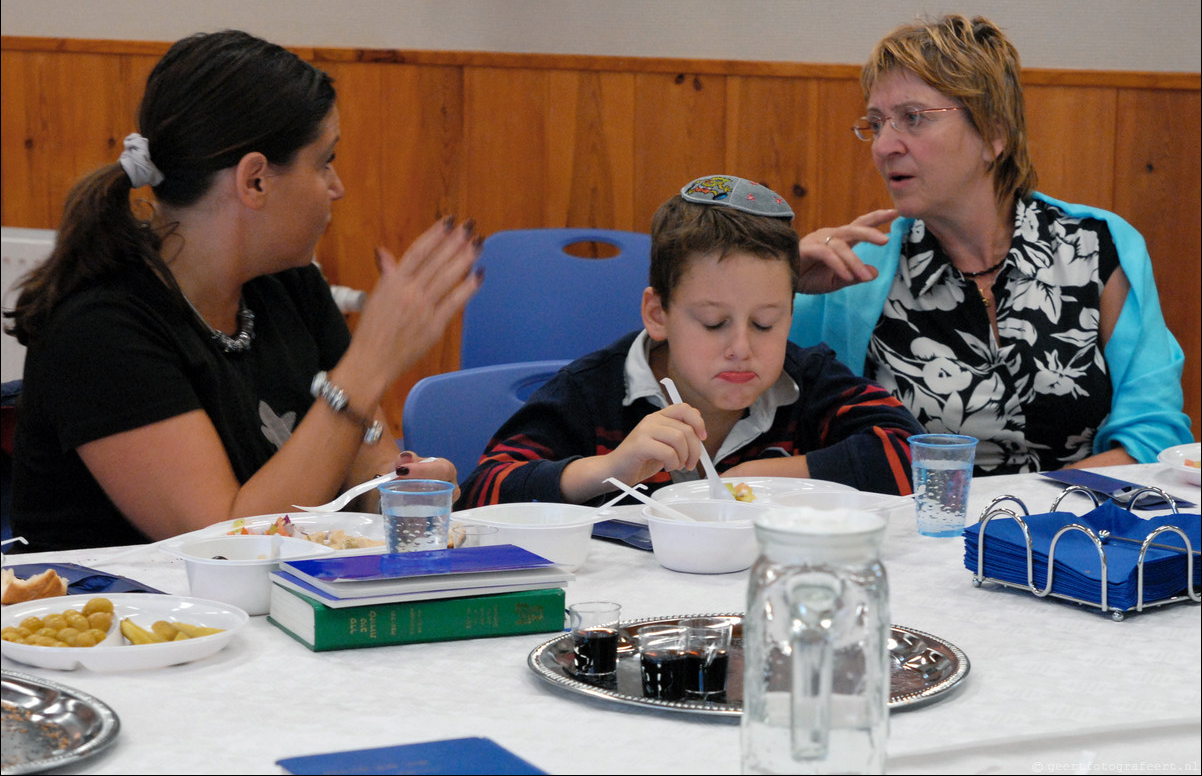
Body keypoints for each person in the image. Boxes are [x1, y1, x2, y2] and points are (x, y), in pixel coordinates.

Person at [6, 31, 480, 551]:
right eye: (324, 161)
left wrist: (401, 489)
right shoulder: (101, 328)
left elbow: (363, 474)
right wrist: (367, 367)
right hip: (119, 621)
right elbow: (225, 543)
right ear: (254, 181)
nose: (336, 186)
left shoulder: (289, 283)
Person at [790, 15, 1192, 476]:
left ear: (993, 133)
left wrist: (1027, 513)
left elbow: (1154, 435)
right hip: (916, 537)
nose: (884, 146)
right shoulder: (855, 271)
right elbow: (764, 413)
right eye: (877, 123)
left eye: (912, 118)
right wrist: (784, 283)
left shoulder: (1095, 246)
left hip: (1076, 530)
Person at [459, 175, 923, 508]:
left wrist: (748, 480)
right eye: (712, 322)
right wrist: (609, 469)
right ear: (658, 314)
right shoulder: (593, 391)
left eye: (765, 323)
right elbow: (483, 491)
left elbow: (912, 454)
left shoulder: (805, 381)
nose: (741, 346)